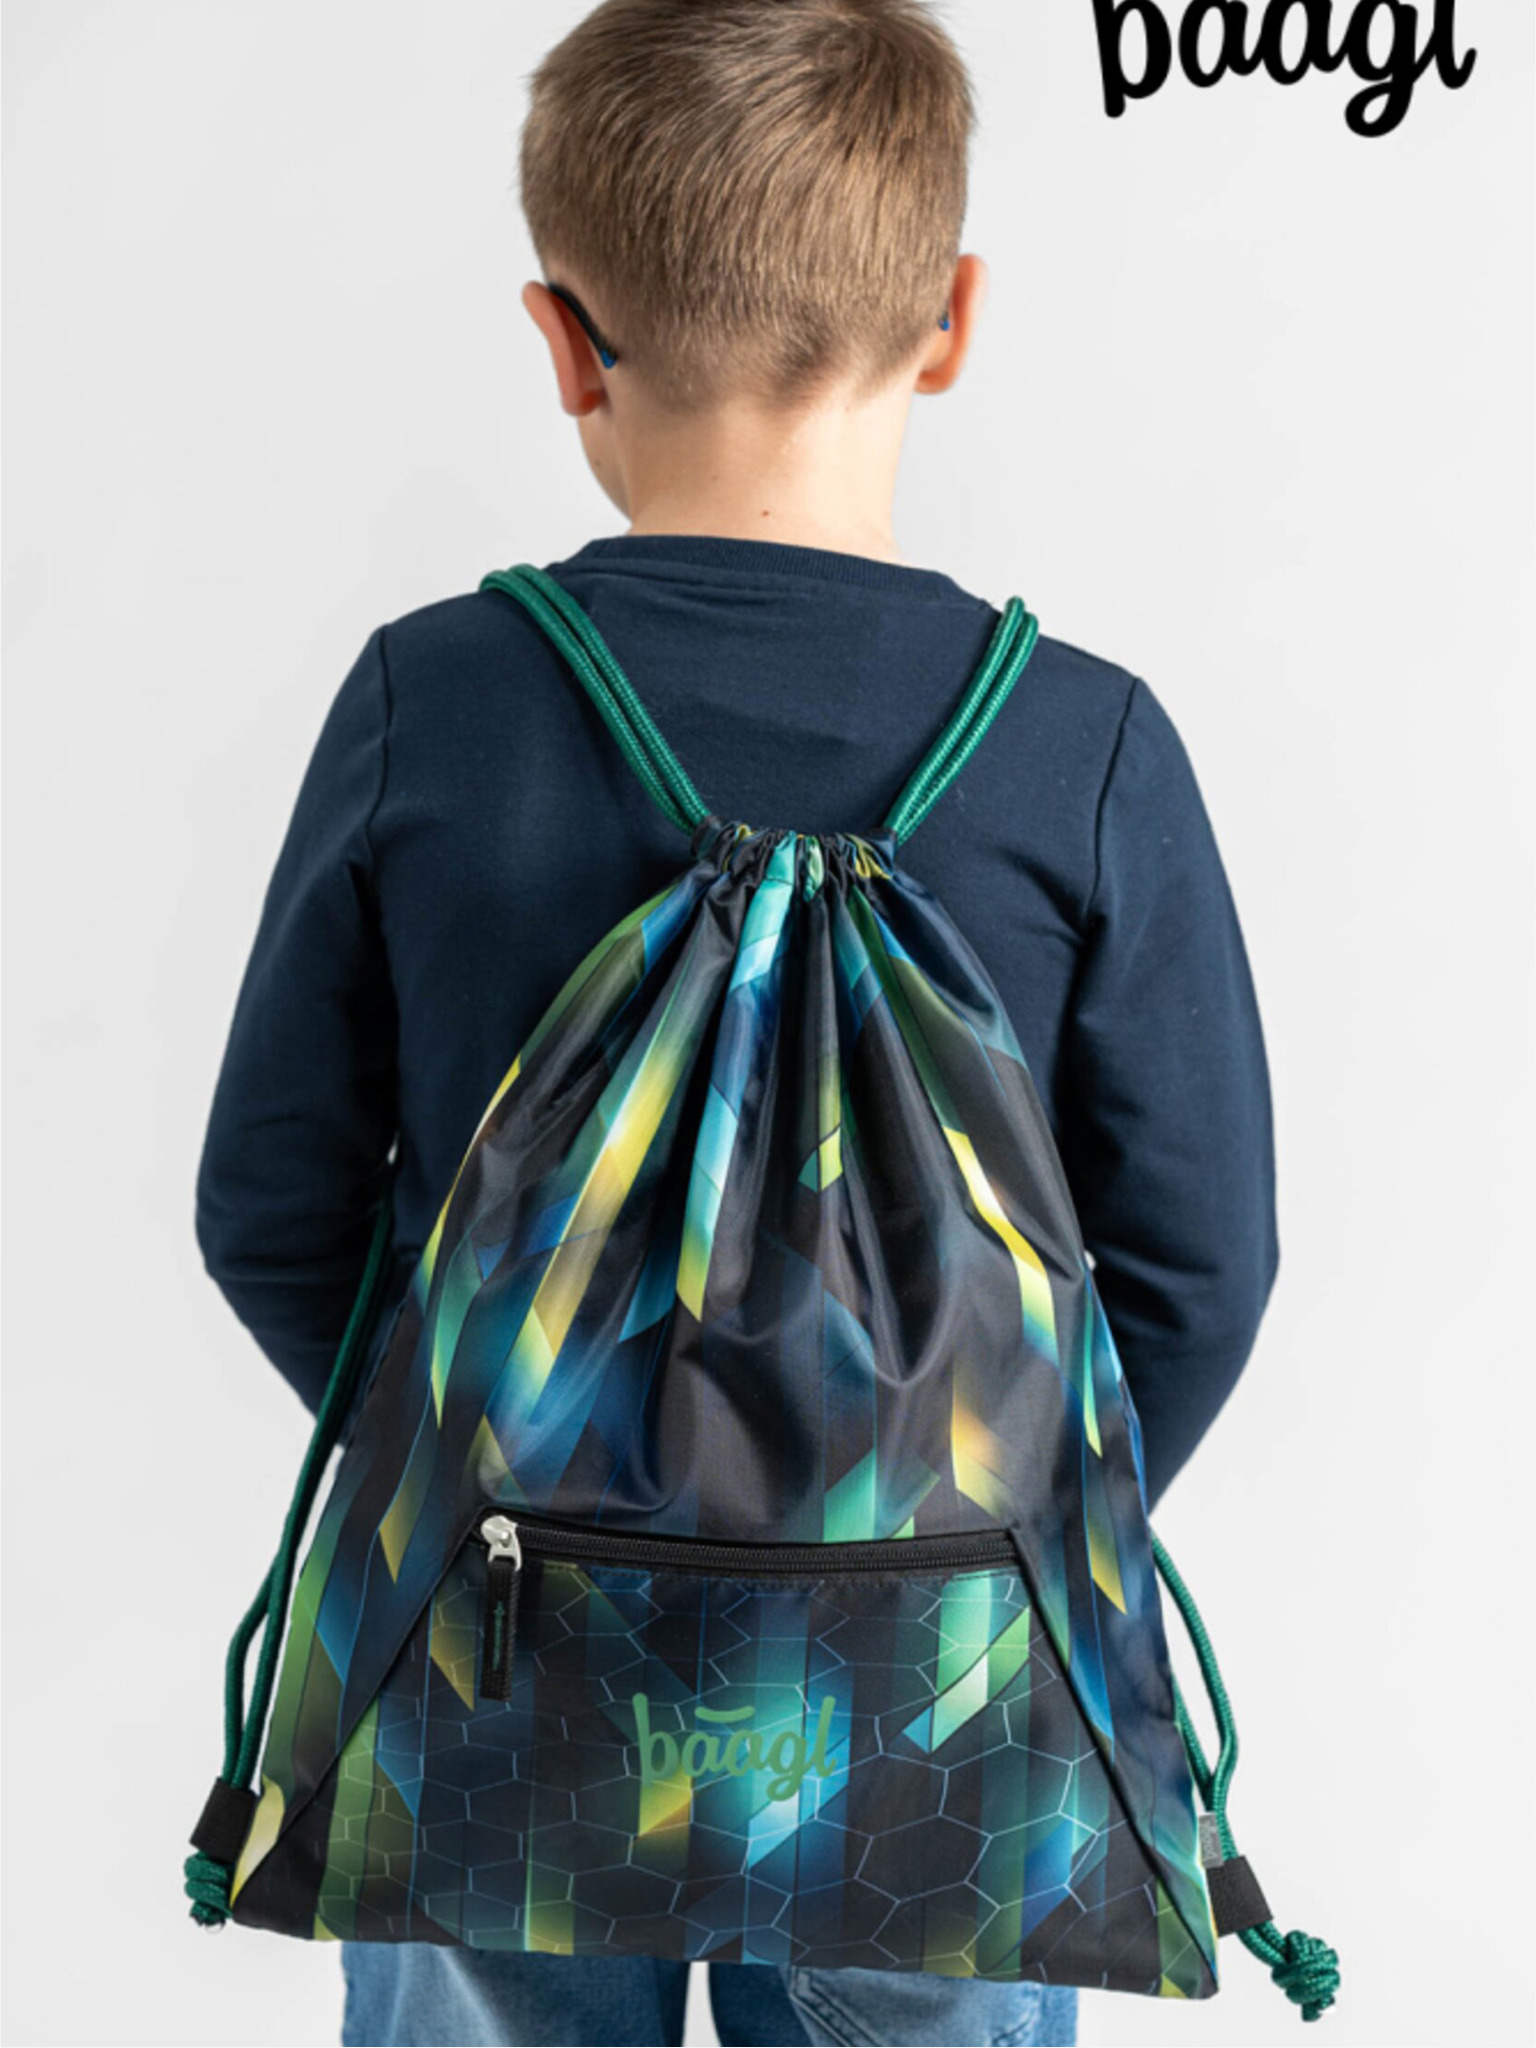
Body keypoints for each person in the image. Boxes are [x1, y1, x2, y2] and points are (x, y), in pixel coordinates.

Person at [194, 2, 1277, 2042]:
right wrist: (942, 1536)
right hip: (939, 1702)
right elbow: (1201, 1272)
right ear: (950, 320)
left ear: (562, 341)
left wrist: (495, 1467)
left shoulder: (435, 703)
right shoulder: (1084, 748)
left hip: (495, 1660)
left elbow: (269, 1207)